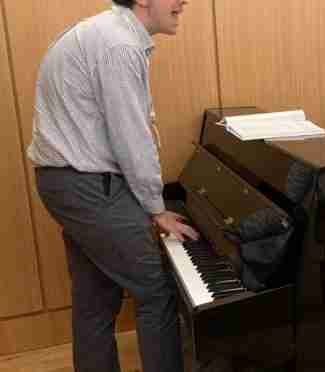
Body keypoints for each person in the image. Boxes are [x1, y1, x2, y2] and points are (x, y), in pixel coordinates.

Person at [27, 1, 196, 371]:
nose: (185, 1)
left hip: (65, 183)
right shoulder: (119, 45)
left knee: (95, 296)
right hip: (90, 186)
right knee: (156, 291)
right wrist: (156, 208)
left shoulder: (101, 31)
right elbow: (131, 138)